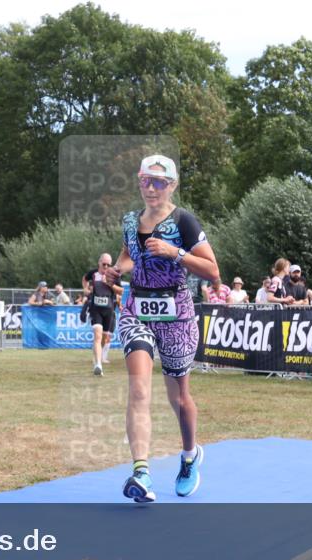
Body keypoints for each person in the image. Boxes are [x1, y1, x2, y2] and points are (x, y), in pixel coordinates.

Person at [105, 154, 220, 502]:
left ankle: (189, 456)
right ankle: (141, 473)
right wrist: (118, 270)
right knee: (139, 388)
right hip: (137, 309)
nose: (151, 188)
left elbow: (213, 271)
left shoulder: (184, 221)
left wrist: (174, 252)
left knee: (179, 398)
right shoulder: (130, 220)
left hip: (177, 314)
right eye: (146, 181)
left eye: (159, 182)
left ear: (172, 185)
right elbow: (128, 252)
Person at [83, 253, 123, 374]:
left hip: (109, 310)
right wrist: (85, 289)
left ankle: (97, 355)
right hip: (96, 309)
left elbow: (121, 291)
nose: (106, 267)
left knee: (104, 339)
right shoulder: (93, 273)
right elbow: (85, 278)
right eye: (104, 264)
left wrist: (110, 284)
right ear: (99, 262)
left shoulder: (114, 275)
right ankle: (98, 365)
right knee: (97, 336)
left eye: (108, 265)